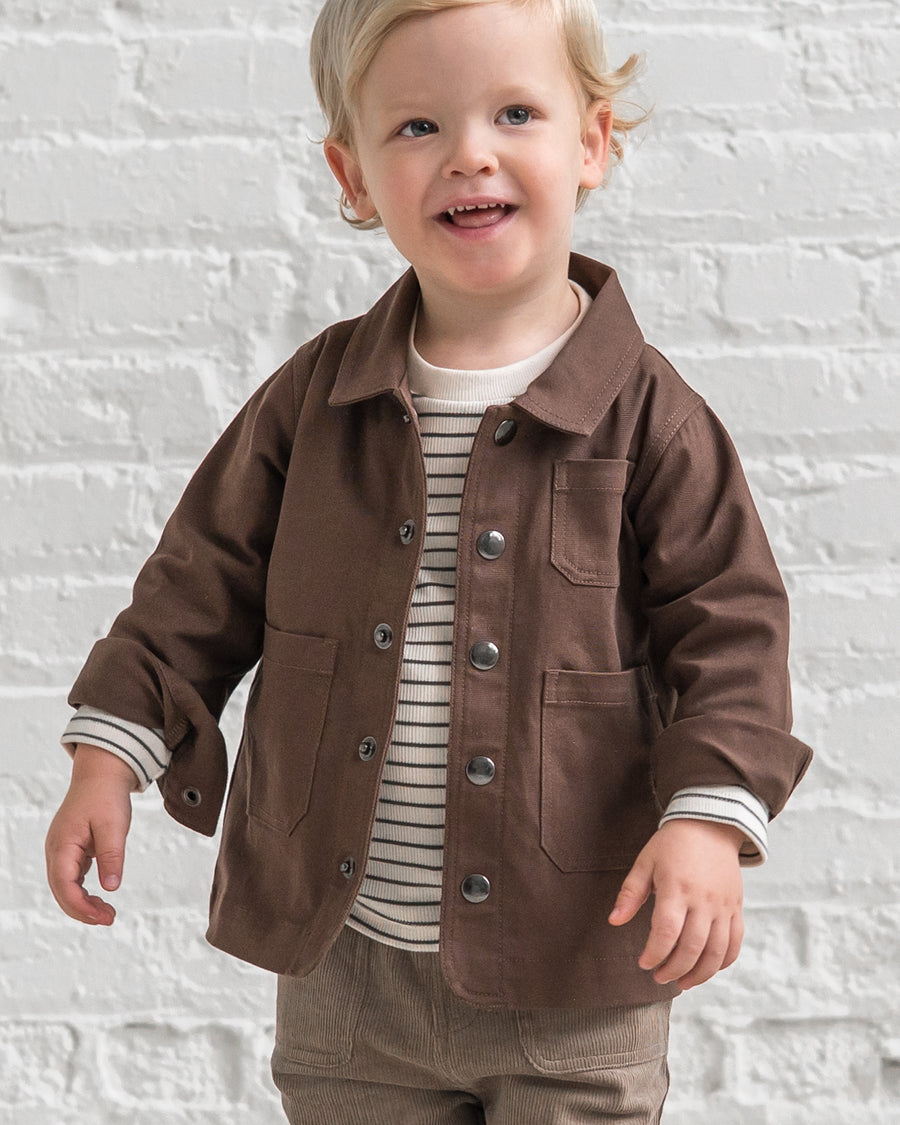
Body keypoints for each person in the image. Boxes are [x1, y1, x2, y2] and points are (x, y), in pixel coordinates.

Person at [44, 0, 813, 1119]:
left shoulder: (655, 420)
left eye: (516, 113)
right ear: (352, 175)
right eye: (417, 127)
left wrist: (705, 816)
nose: (470, 154)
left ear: (593, 142)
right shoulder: (312, 403)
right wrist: (106, 758)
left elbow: (733, 631)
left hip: (573, 971)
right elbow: (195, 585)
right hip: (346, 971)